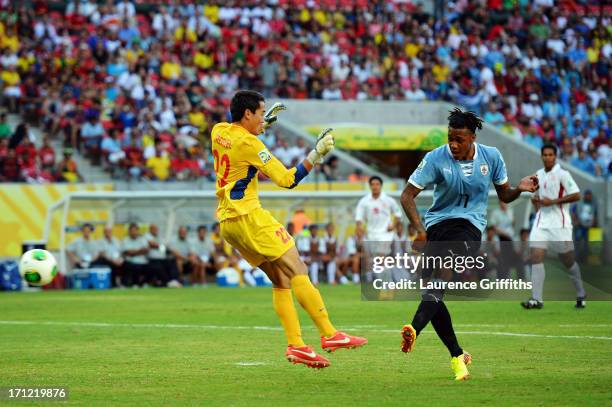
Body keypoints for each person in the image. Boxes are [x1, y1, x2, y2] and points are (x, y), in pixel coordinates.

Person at [211, 90, 366, 369]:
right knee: (298, 270)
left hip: (227, 221)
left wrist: (261, 126)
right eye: (260, 113)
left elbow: (237, 137)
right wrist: (316, 153)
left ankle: (297, 345)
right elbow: (286, 180)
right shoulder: (250, 144)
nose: (262, 118)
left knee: (281, 280)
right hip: (250, 216)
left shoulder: (218, 131)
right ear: (247, 114)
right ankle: (330, 334)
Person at [399, 108, 538, 381]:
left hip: (470, 227)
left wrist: (519, 189)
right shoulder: (435, 158)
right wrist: (420, 230)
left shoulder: (491, 157)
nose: (453, 143)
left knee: (444, 270)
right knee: (433, 294)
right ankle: (457, 356)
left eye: (459, 139)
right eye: (450, 137)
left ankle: (414, 328)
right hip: (438, 226)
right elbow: (407, 196)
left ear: (472, 137)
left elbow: (504, 195)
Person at [522, 144, 586, 310]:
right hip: (541, 221)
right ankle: (537, 299)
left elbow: (577, 195)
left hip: (560, 223)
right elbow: (539, 198)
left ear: (555, 156)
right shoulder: (538, 175)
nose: (548, 157)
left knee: (567, 260)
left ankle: (580, 293)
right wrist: (536, 202)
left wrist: (554, 202)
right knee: (535, 256)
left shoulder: (563, 174)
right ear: (541, 156)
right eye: (545, 155)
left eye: (551, 155)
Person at [355, 175, 402, 283]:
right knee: (377, 261)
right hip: (371, 234)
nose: (375, 186)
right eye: (373, 184)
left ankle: (387, 285)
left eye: (377, 184)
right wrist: (360, 233)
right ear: (370, 186)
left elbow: (398, 215)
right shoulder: (364, 202)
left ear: (381, 186)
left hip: (385, 234)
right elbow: (359, 220)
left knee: (381, 258)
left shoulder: (388, 200)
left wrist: (393, 225)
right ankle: (388, 283)